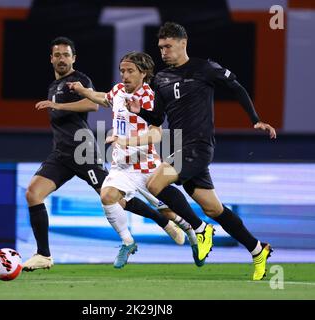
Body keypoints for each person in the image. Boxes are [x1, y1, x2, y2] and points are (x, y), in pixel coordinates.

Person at [128, 22, 277, 281]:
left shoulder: (204, 68)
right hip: (176, 147)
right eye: (160, 47)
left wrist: (255, 119)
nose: (163, 52)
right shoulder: (161, 78)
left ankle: (200, 229)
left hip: (198, 145)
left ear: (183, 43)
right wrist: (138, 110)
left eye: (168, 46)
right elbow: (158, 117)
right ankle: (257, 249)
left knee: (154, 184)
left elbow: (236, 87)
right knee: (213, 208)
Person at [23, 37, 185, 271]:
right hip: (60, 154)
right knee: (33, 194)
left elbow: (92, 105)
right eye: (57, 55)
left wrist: (58, 105)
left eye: (66, 55)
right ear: (51, 59)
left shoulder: (78, 79)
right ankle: (43, 255)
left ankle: (165, 221)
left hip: (82, 150)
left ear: (73, 58)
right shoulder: (53, 86)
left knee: (116, 199)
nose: (61, 59)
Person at [66, 51, 213, 268]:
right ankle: (127, 242)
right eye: (122, 71)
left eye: (130, 71)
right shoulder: (117, 91)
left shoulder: (149, 97)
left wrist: (127, 141)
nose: (124, 75)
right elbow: (102, 98)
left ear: (143, 73)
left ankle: (193, 234)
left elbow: (156, 134)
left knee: (170, 212)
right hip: (121, 166)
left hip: (147, 165)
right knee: (107, 196)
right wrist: (81, 90)